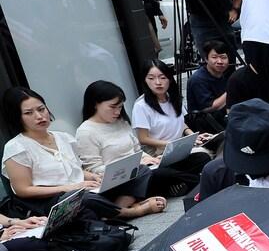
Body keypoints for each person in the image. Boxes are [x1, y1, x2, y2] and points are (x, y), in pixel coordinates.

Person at [1, 87, 163, 218]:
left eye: (41, 109)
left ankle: (115, 208)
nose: (39, 116)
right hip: (56, 199)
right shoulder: (16, 147)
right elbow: (24, 190)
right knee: (84, 199)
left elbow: (74, 170)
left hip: (85, 188)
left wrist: (91, 176)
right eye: (29, 113)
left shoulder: (64, 138)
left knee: (140, 170)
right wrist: (72, 187)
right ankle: (130, 212)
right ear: (17, 117)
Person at [75, 80, 206, 200]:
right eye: (113, 107)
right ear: (95, 104)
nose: (117, 112)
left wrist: (148, 159)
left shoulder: (120, 122)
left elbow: (137, 150)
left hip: (142, 168)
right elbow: (93, 169)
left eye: (120, 107)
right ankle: (197, 182)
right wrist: (134, 166)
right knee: (162, 174)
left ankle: (177, 185)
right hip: (122, 178)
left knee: (199, 158)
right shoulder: (86, 131)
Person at [132, 60, 199, 155]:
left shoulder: (173, 98)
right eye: (151, 78)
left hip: (181, 146)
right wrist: (170, 144)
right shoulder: (141, 106)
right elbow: (143, 138)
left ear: (170, 79)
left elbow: (179, 123)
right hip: (159, 152)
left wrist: (192, 136)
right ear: (145, 80)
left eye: (163, 78)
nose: (158, 82)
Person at [186, 40, 233, 112]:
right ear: (206, 59)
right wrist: (233, 89)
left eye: (223, 57)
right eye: (214, 57)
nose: (220, 61)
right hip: (205, 120)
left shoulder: (226, 73)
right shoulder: (198, 79)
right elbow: (210, 107)